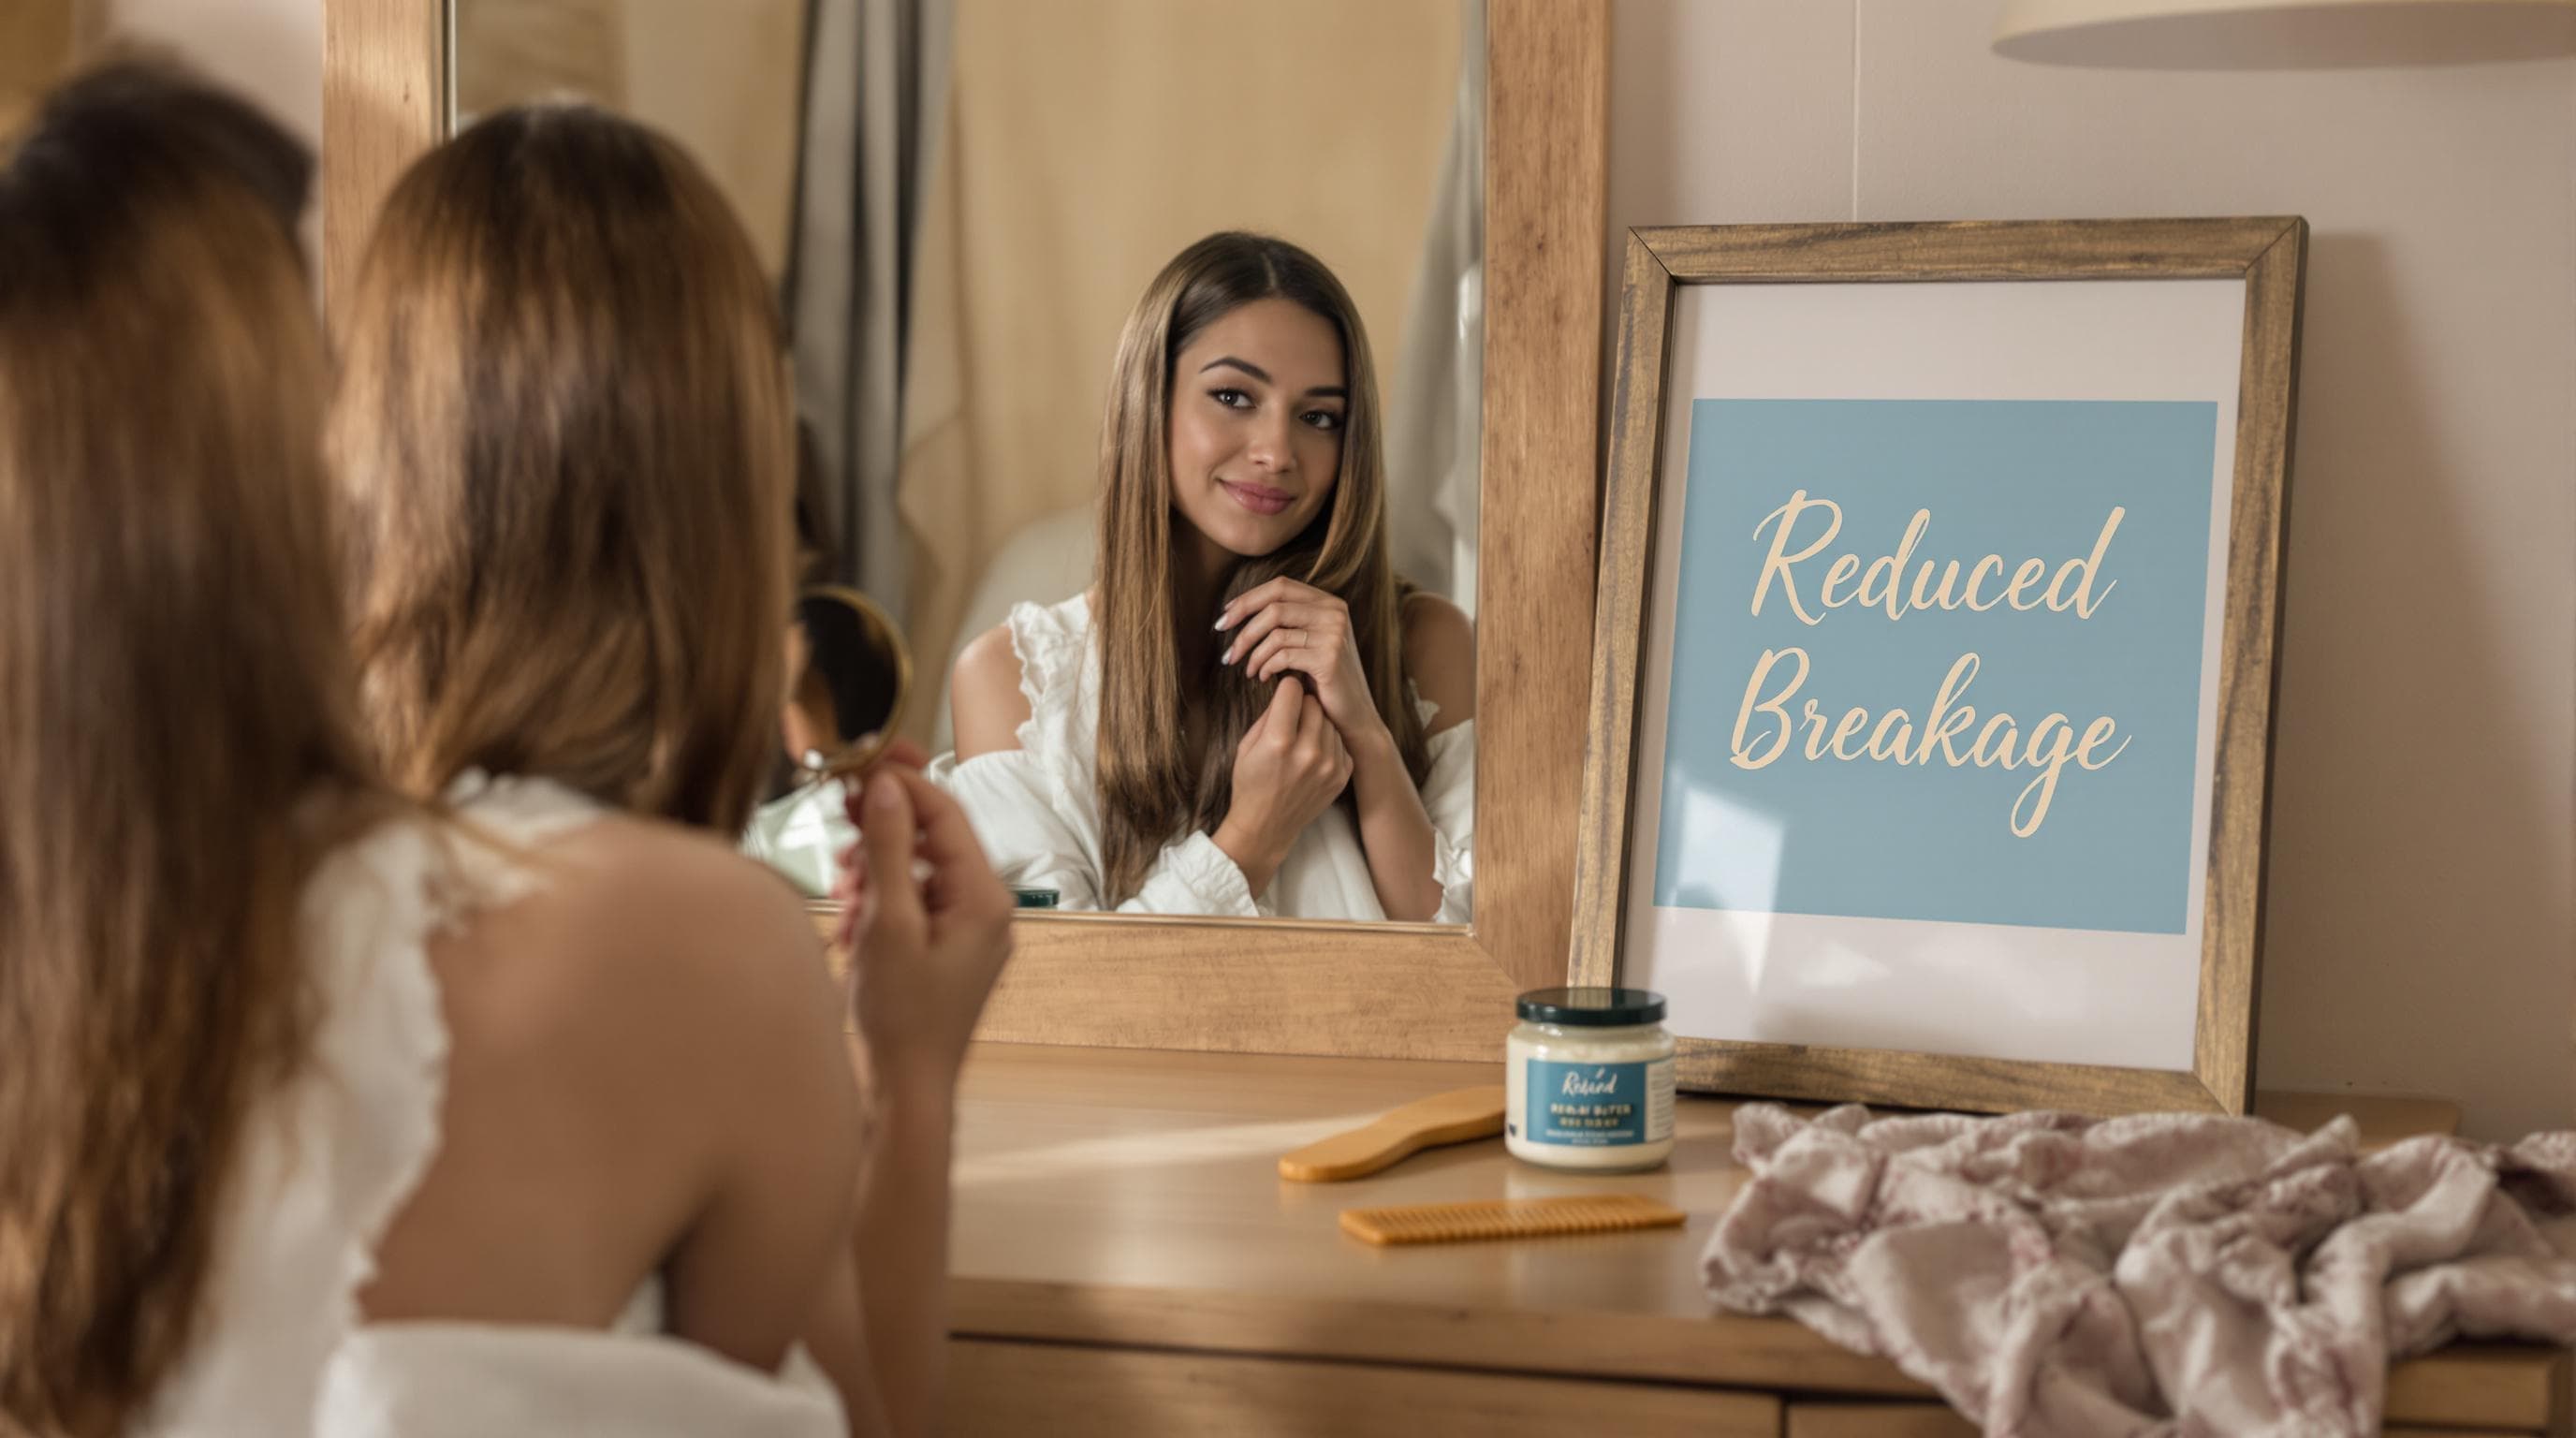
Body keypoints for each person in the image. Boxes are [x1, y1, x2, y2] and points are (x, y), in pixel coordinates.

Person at [943, 231, 1475, 921]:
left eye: (1319, 417)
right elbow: (1047, 1004)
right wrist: (1253, 838)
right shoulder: (1009, 683)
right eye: (1233, 397)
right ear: (1149, 401)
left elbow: (1480, 969)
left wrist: (1370, 740)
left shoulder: (1427, 643)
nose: (1277, 451)